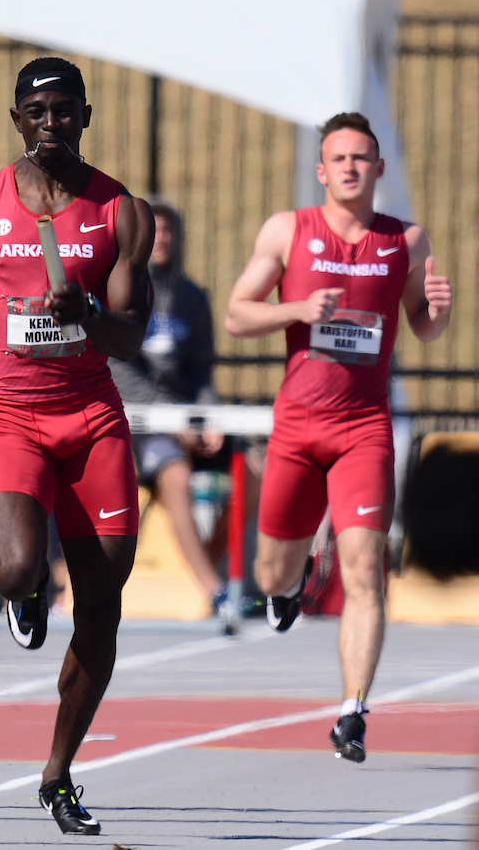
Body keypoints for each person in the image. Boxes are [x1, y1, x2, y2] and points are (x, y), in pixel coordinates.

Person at [0, 56, 153, 835]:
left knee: (103, 609)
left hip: (91, 419)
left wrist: (85, 310)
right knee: (19, 567)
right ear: (16, 120)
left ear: (86, 117)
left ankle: (58, 770)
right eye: (37, 111)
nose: (52, 122)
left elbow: (131, 334)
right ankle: (24, 595)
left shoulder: (120, 212)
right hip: (9, 417)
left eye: (66, 110)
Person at [225, 112, 451, 764]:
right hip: (298, 428)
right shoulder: (288, 230)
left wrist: (437, 309)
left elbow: (421, 327)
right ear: (322, 170)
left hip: (363, 430)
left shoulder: (404, 241)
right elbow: (238, 315)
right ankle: (290, 586)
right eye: (340, 158)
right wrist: (296, 310)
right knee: (270, 570)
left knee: (365, 574)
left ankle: (353, 710)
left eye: (363, 158)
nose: (352, 168)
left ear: (379, 169)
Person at [108, 202, 242, 617]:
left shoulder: (192, 297)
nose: (161, 239)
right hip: (139, 424)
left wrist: (209, 416)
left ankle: (227, 572)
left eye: (168, 231)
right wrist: (175, 419)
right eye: (155, 231)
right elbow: (120, 371)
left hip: (185, 419)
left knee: (247, 471)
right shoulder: (120, 289)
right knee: (176, 474)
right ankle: (213, 587)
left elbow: (201, 373)